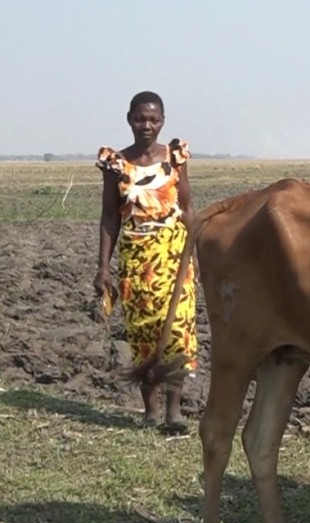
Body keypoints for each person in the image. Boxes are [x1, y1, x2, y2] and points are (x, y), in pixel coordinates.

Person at [94, 91, 198, 433]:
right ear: (129, 120)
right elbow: (110, 217)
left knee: (178, 332)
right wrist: (102, 268)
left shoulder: (175, 158)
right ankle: (150, 410)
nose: (147, 126)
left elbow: (186, 207)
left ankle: (174, 412)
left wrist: (195, 254)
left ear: (163, 121)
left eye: (153, 119)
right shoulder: (117, 164)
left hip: (174, 259)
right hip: (136, 262)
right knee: (143, 335)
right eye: (140, 119)